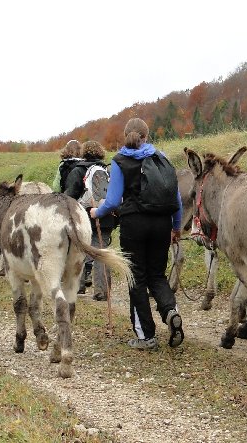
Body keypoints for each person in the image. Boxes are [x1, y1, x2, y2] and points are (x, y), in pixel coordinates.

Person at [91, 118, 184, 350]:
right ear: (147, 135)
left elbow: (112, 201)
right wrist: (176, 226)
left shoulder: (120, 161)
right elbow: (177, 199)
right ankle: (170, 311)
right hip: (162, 224)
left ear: (126, 135)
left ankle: (146, 336)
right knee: (157, 275)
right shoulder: (161, 157)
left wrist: (96, 211)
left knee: (137, 279)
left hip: (134, 225)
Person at [63, 140, 117, 300]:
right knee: (101, 253)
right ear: (101, 153)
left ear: (83, 152)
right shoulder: (107, 171)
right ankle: (102, 291)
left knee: (79, 251)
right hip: (104, 216)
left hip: (82, 218)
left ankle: (78, 287)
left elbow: (70, 196)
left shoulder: (77, 171)